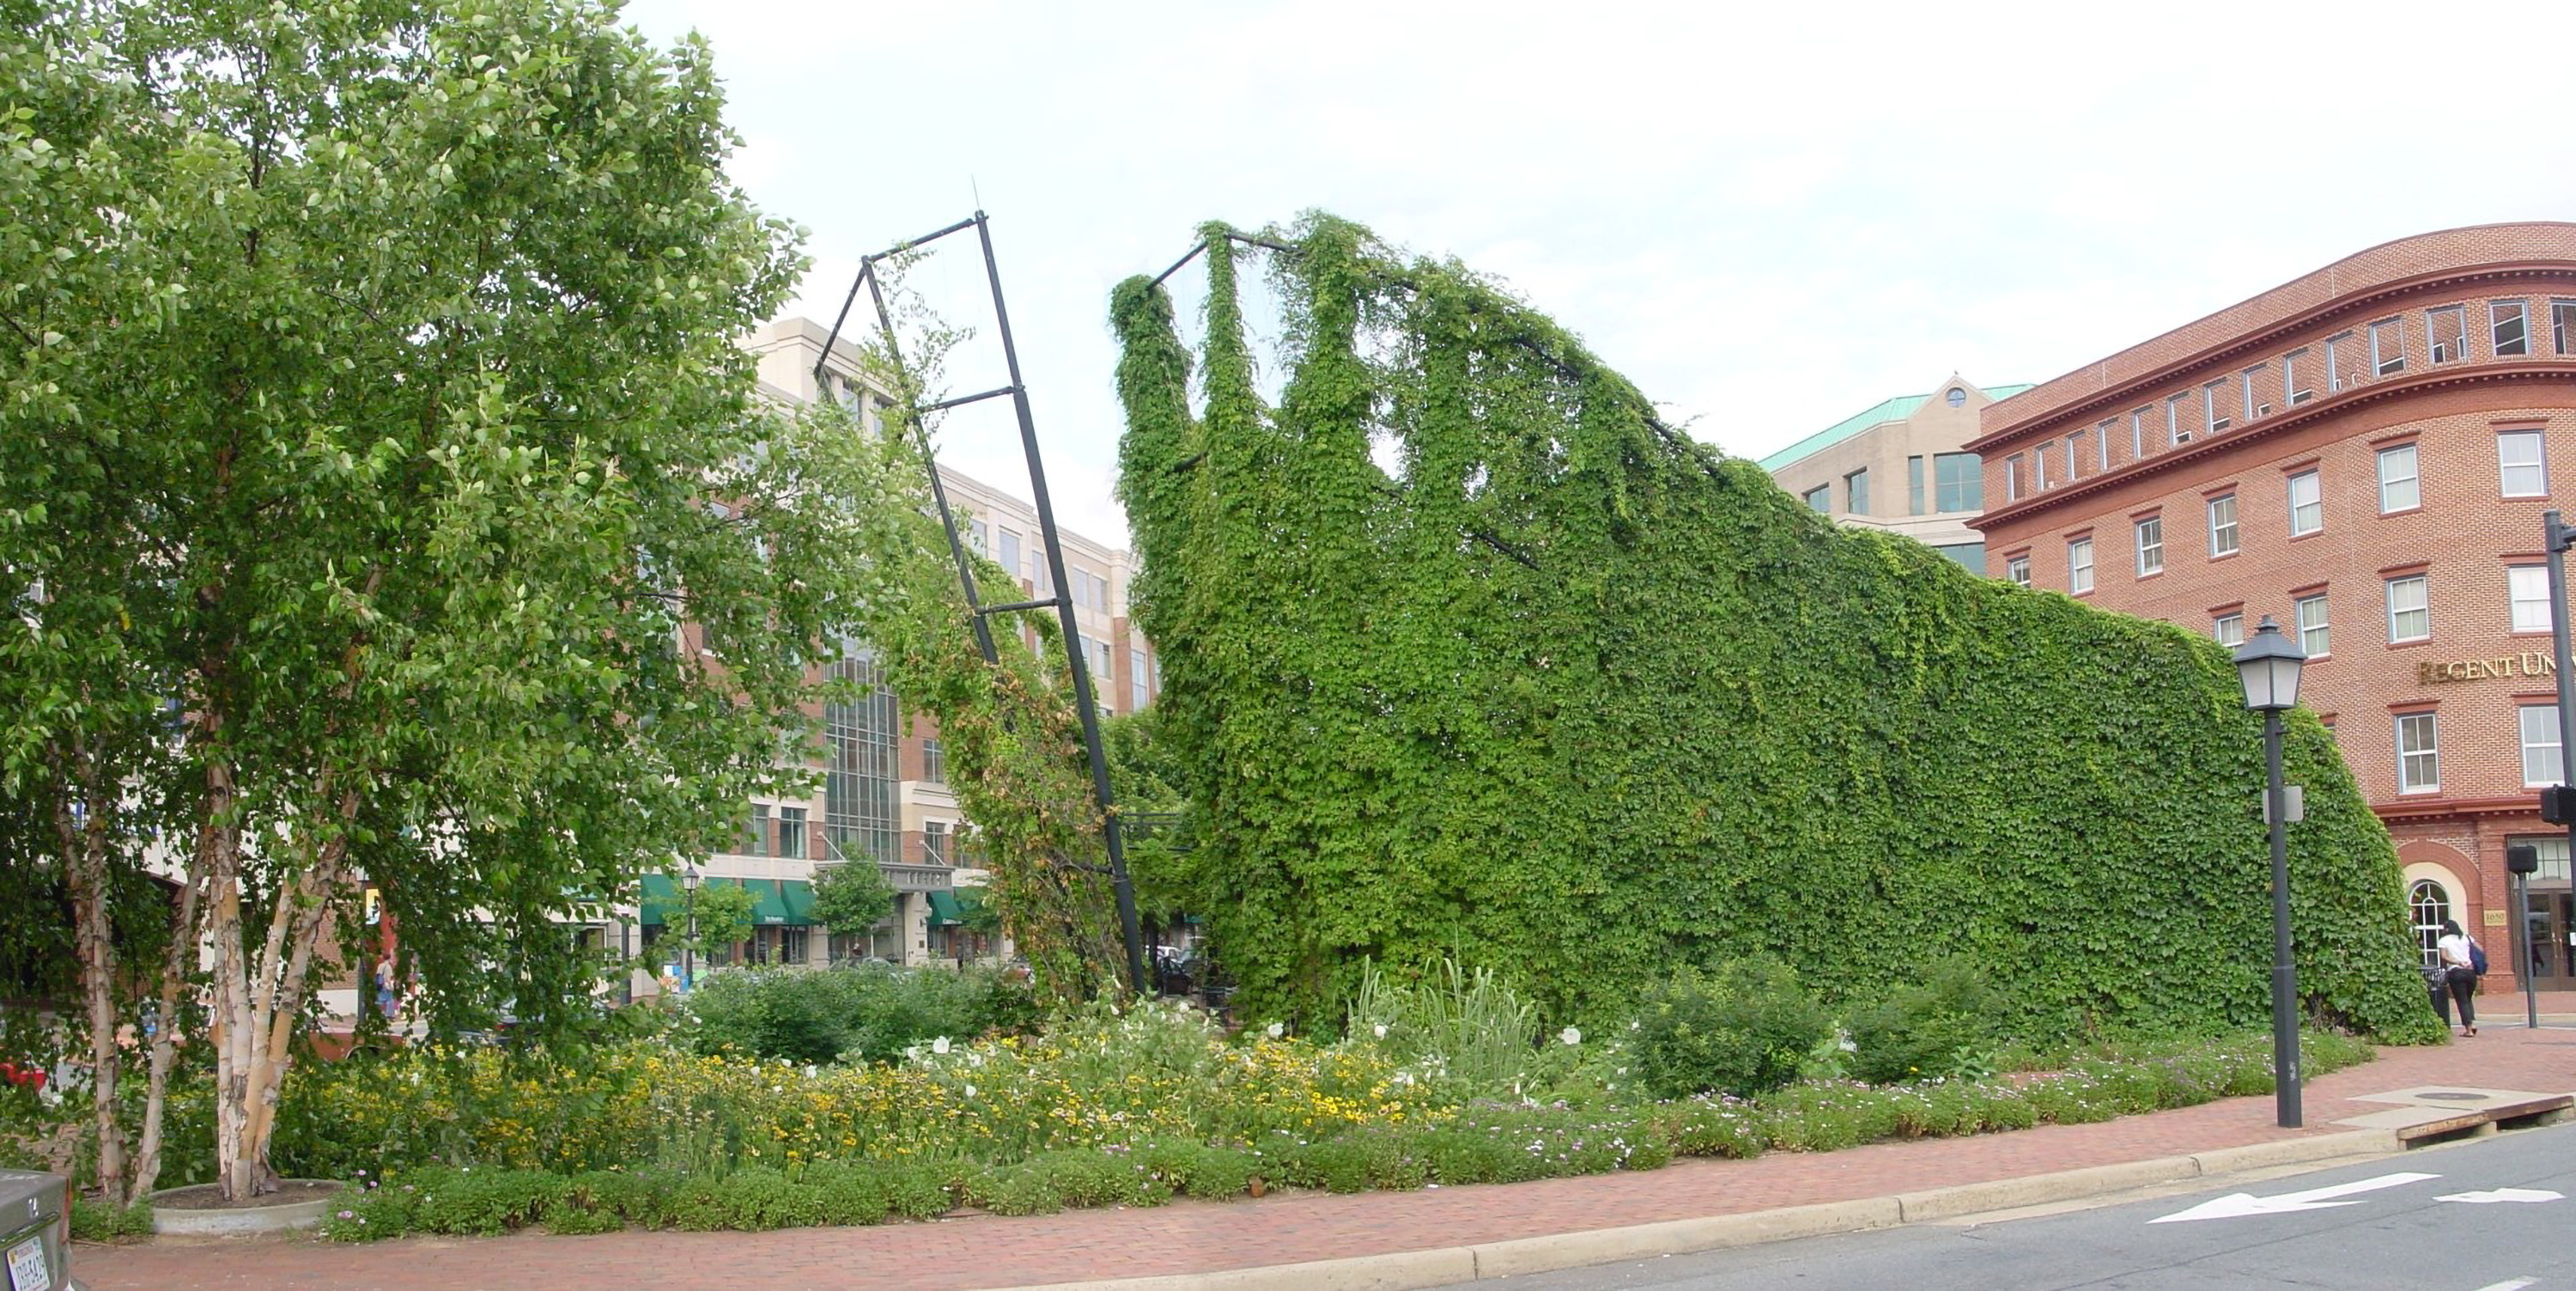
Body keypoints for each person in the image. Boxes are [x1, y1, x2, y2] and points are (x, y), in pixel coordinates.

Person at [2435, 918, 2478, 1037]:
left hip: (2456, 972)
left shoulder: (2444, 940)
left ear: (2447, 929)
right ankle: (2472, 1023)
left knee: (2462, 1000)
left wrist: (2458, 962)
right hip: (2470, 972)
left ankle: (2469, 1029)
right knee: (2468, 999)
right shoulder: (2467, 938)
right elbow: (2480, 949)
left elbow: (2444, 956)